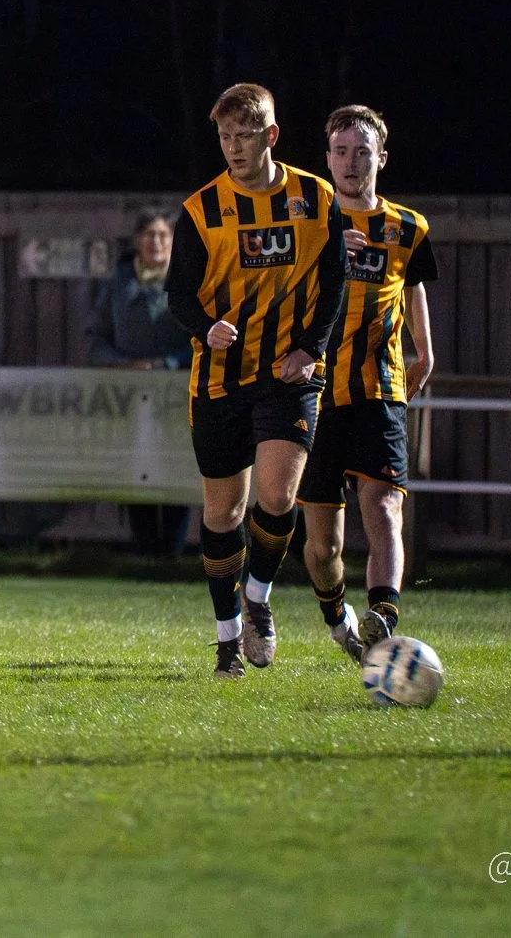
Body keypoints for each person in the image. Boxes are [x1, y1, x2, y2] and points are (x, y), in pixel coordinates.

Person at [165, 83, 348, 679]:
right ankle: (225, 641)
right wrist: (205, 325)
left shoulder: (315, 199)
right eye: (224, 137)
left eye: (245, 136)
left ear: (270, 135)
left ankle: (259, 601)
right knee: (224, 513)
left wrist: (310, 350)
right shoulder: (201, 210)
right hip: (218, 381)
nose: (233, 148)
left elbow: (336, 280)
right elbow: (177, 294)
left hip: (286, 376)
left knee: (277, 497)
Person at [296, 106, 437, 660]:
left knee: (382, 506)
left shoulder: (407, 227)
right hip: (314, 391)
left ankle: (384, 614)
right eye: (341, 151)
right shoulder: (308, 222)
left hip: (380, 388)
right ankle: (338, 616)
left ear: (381, 157)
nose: (351, 162)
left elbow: (414, 286)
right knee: (323, 545)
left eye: (362, 151)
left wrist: (425, 349)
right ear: (327, 159)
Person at [88, 209, 193, 555]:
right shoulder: (118, 285)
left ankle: (172, 555)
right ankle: (145, 552)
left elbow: (201, 339)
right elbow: (97, 339)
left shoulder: (186, 282)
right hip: (129, 399)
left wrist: (167, 363)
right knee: (136, 468)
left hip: (175, 396)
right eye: (149, 235)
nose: (156, 242)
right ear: (137, 241)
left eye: (163, 235)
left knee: (175, 468)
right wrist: (121, 365)